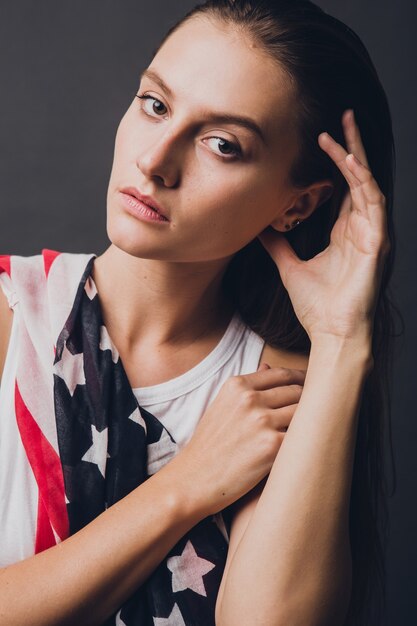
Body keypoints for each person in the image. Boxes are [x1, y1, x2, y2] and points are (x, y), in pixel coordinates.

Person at [0, 0, 398, 624]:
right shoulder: (11, 317)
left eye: (222, 144)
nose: (154, 161)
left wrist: (342, 340)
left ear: (297, 205)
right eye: (154, 105)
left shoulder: (278, 394)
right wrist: (187, 485)